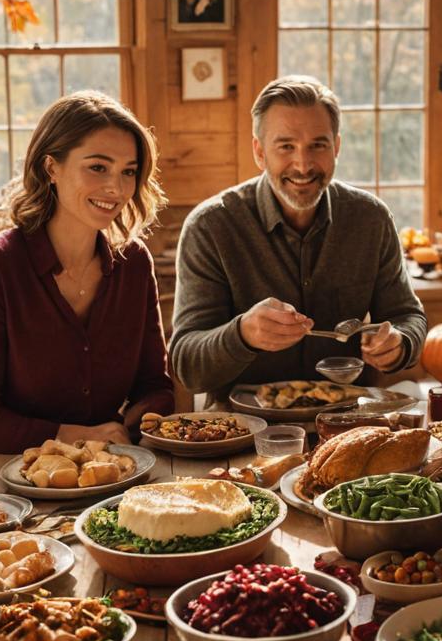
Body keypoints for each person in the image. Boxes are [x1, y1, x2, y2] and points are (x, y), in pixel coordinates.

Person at [170, 75, 427, 400]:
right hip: (243, 429)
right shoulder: (210, 227)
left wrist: (400, 343)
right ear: (259, 152)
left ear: (336, 147)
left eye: (317, 145)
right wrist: (242, 334)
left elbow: (408, 316)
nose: (303, 165)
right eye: (286, 146)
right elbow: (186, 365)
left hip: (347, 423)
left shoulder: (370, 219)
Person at [0, 90, 174, 460]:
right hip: (4, 481)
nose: (116, 188)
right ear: (51, 168)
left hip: (108, 470)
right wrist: (77, 437)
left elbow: (155, 387)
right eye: (98, 167)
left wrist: (126, 428)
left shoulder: (134, 263)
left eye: (128, 172)